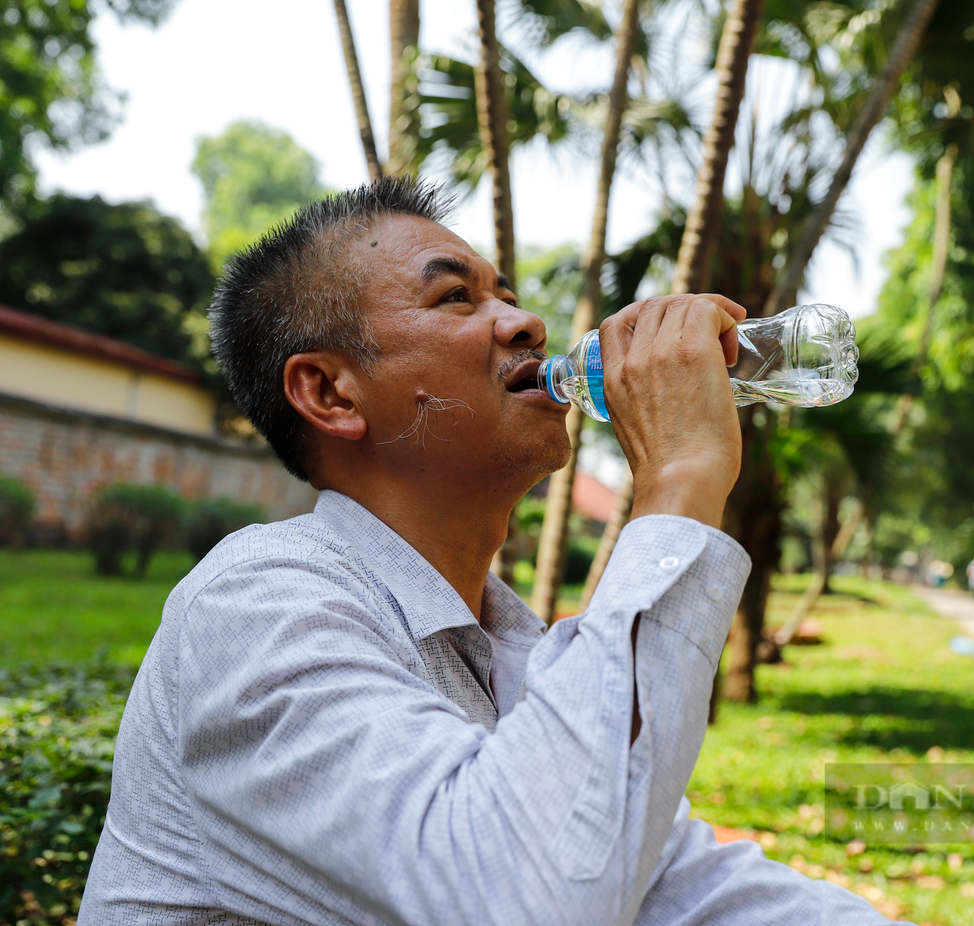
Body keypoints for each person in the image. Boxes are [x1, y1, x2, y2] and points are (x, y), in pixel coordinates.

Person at [78, 179, 899, 925]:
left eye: (504, 292)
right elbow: (529, 896)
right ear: (331, 392)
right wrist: (680, 479)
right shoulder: (257, 605)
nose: (525, 322)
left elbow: (683, 891)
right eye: (454, 298)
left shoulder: (512, 649)